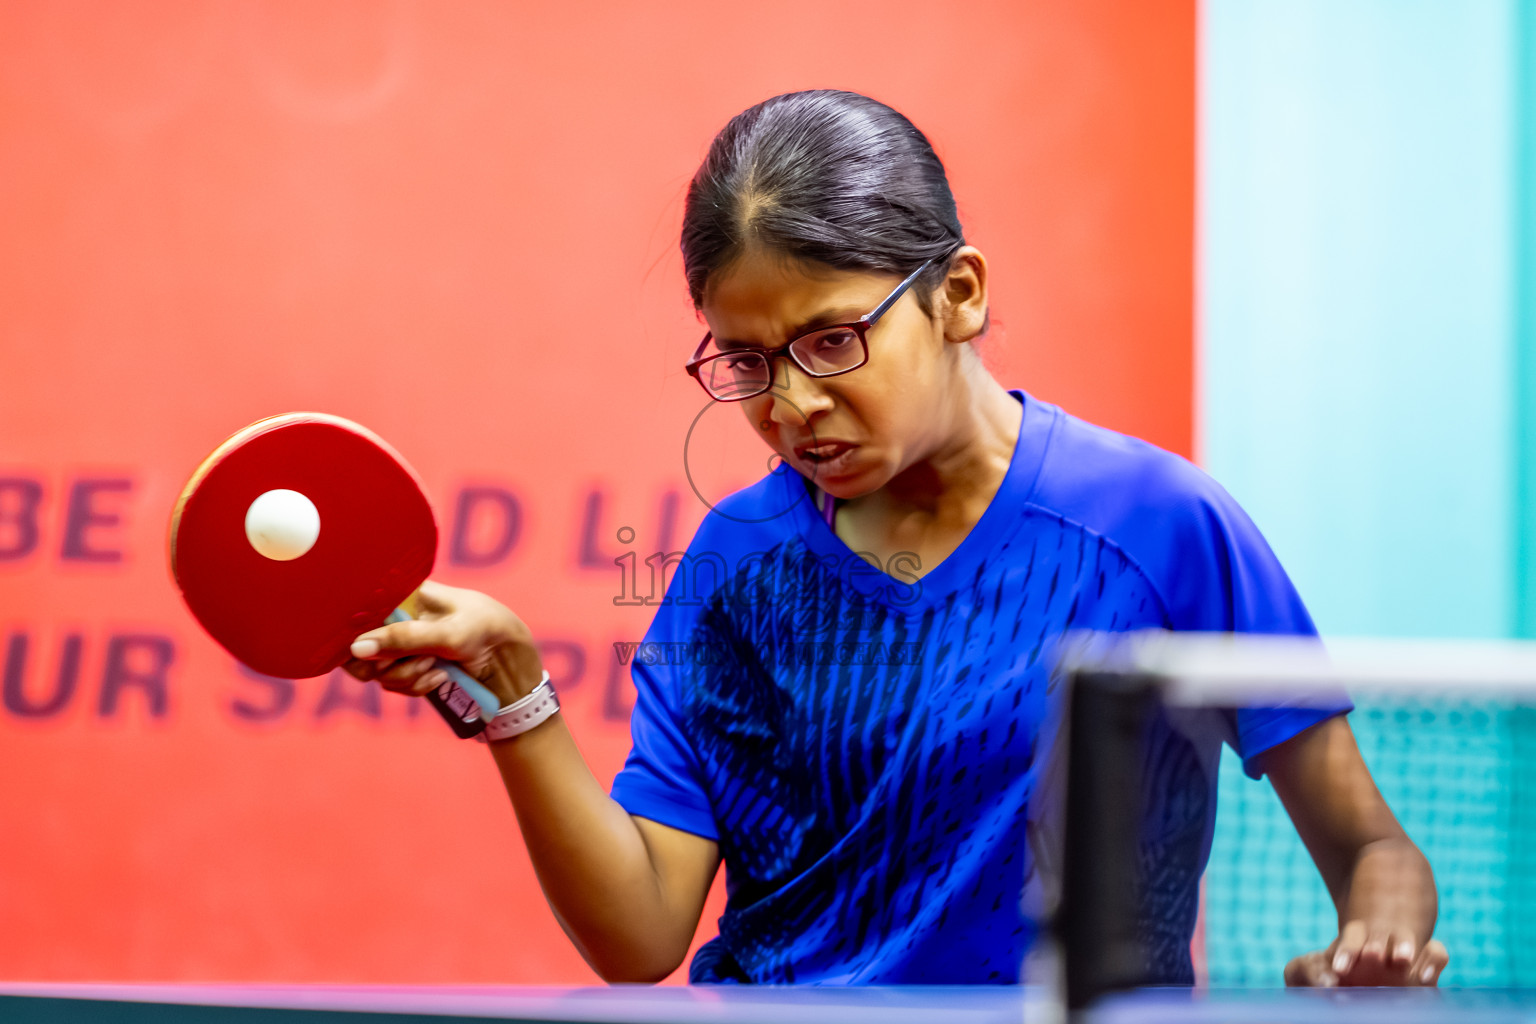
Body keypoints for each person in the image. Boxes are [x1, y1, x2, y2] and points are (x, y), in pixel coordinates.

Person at [345, 89, 1447, 987]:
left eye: (831, 341)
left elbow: (1374, 849)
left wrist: (1379, 939)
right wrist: (513, 695)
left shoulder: (1162, 527)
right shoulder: (736, 565)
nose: (791, 404)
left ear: (957, 295)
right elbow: (640, 933)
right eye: (747, 361)